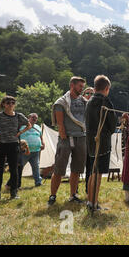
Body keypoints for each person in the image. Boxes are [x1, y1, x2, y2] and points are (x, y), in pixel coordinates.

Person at [47, 76, 88, 206]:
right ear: (72, 85)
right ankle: (52, 196)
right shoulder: (61, 102)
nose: (82, 89)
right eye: (80, 86)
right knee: (59, 169)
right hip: (66, 139)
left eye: (83, 86)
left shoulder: (84, 101)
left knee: (76, 169)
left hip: (81, 138)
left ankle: (73, 195)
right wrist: (64, 138)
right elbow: (60, 124)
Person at [85, 75, 117, 211]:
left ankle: (90, 201)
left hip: (91, 141)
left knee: (93, 171)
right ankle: (93, 203)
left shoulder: (89, 101)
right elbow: (112, 123)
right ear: (107, 88)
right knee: (97, 174)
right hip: (102, 141)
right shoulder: (105, 101)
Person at [0, 96, 31, 200]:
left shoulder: (18, 116)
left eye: (13, 102)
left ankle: (14, 193)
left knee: (14, 170)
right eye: (8, 102)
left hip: (13, 144)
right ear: (3, 104)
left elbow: (29, 124)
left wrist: (19, 133)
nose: (11, 104)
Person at [6, 113, 45, 189]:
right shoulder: (22, 127)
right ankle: (10, 183)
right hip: (24, 151)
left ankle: (38, 182)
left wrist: (43, 143)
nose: (34, 119)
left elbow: (40, 137)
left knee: (36, 167)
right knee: (18, 168)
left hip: (35, 151)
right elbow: (16, 136)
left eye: (36, 118)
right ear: (28, 118)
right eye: (33, 117)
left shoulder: (38, 127)